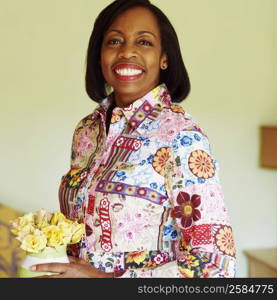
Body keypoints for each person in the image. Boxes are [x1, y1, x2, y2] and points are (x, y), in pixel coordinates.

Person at [31, 0, 236, 278]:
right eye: (114, 41)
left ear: (165, 57)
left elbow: (216, 267)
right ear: (100, 54)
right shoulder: (86, 131)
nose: (127, 51)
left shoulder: (180, 136)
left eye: (144, 42)